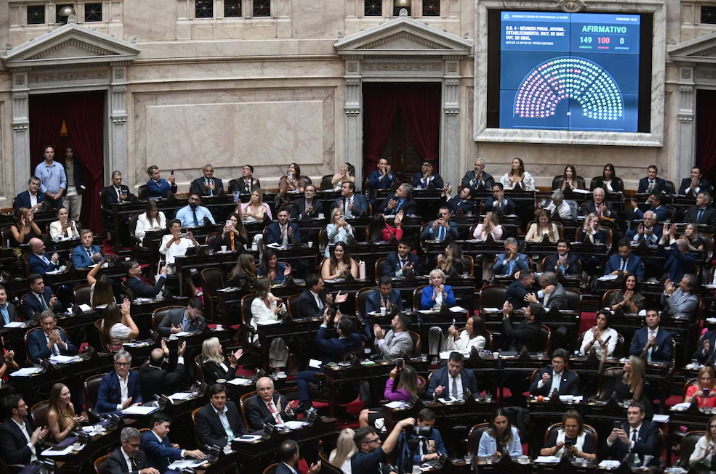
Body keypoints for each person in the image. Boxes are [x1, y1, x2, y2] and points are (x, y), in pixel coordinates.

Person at [296, 311, 361, 412]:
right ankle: (302, 403)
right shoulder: (356, 338)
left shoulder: (335, 345)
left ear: (340, 330)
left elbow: (319, 340)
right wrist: (338, 324)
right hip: (345, 375)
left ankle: (307, 406)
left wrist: (325, 323)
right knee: (310, 364)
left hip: (330, 374)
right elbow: (340, 337)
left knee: (300, 376)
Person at [358, 365, 423, 428]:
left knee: (362, 417)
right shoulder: (417, 382)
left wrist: (392, 378)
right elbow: (411, 376)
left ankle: (366, 434)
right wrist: (404, 369)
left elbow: (387, 395)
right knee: (364, 411)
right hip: (401, 409)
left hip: (398, 414)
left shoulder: (404, 394)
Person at [141, 412, 206, 473]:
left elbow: (168, 451)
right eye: (166, 427)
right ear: (156, 425)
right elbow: (162, 451)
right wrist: (187, 452)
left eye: (168, 427)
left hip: (173, 467)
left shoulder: (163, 436)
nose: (168, 430)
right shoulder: (148, 439)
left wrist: (173, 449)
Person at [250, 278, 289, 370]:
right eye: (269, 285)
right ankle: (276, 368)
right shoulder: (256, 303)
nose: (271, 287)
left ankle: (284, 366)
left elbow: (283, 311)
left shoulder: (270, 296)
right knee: (278, 340)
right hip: (260, 333)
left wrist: (279, 301)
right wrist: (274, 313)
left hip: (274, 329)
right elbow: (261, 322)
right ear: (265, 287)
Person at [352, 419, 416, 474]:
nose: (379, 441)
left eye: (378, 438)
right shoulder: (361, 460)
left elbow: (387, 471)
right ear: (364, 446)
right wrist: (400, 425)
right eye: (375, 440)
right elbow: (386, 449)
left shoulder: (373, 457)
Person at [0, 394, 48, 465]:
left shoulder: (25, 420)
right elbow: (13, 457)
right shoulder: (6, 430)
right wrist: (32, 442)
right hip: (25, 466)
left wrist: (38, 439)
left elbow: (31, 445)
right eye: (23, 405)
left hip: (38, 460)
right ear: (15, 411)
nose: (27, 407)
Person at [60, 146, 85, 222]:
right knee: (64, 213)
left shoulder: (77, 163)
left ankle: (75, 227)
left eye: (71, 152)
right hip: (64, 190)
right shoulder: (61, 164)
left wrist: (82, 188)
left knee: (76, 213)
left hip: (76, 190)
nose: (69, 154)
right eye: (67, 152)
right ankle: (64, 227)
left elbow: (82, 175)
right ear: (65, 153)